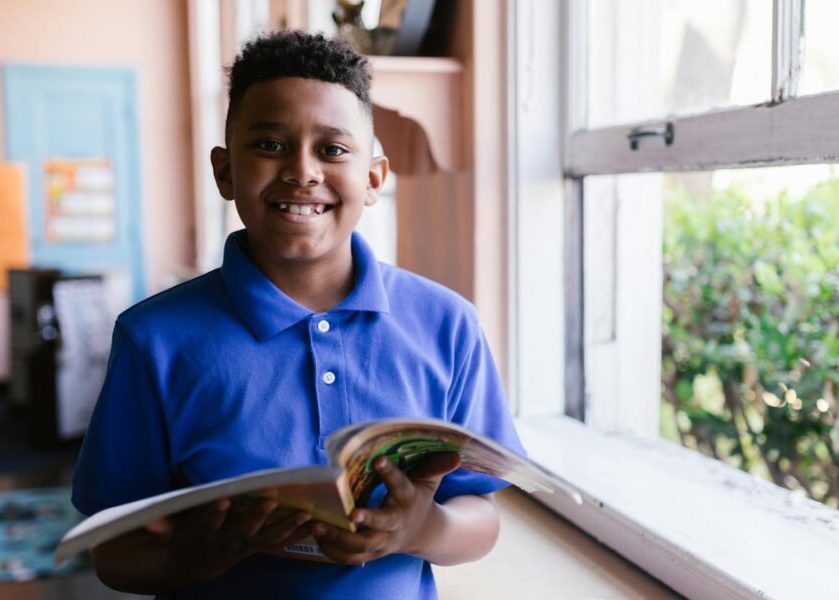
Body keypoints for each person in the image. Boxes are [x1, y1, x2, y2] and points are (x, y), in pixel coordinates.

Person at [72, 30, 525, 599]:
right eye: (269, 144)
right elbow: (113, 550)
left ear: (374, 177)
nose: (301, 171)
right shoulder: (154, 340)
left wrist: (421, 529)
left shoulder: (448, 326)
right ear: (225, 171)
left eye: (333, 150)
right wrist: (188, 561)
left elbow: (479, 514)